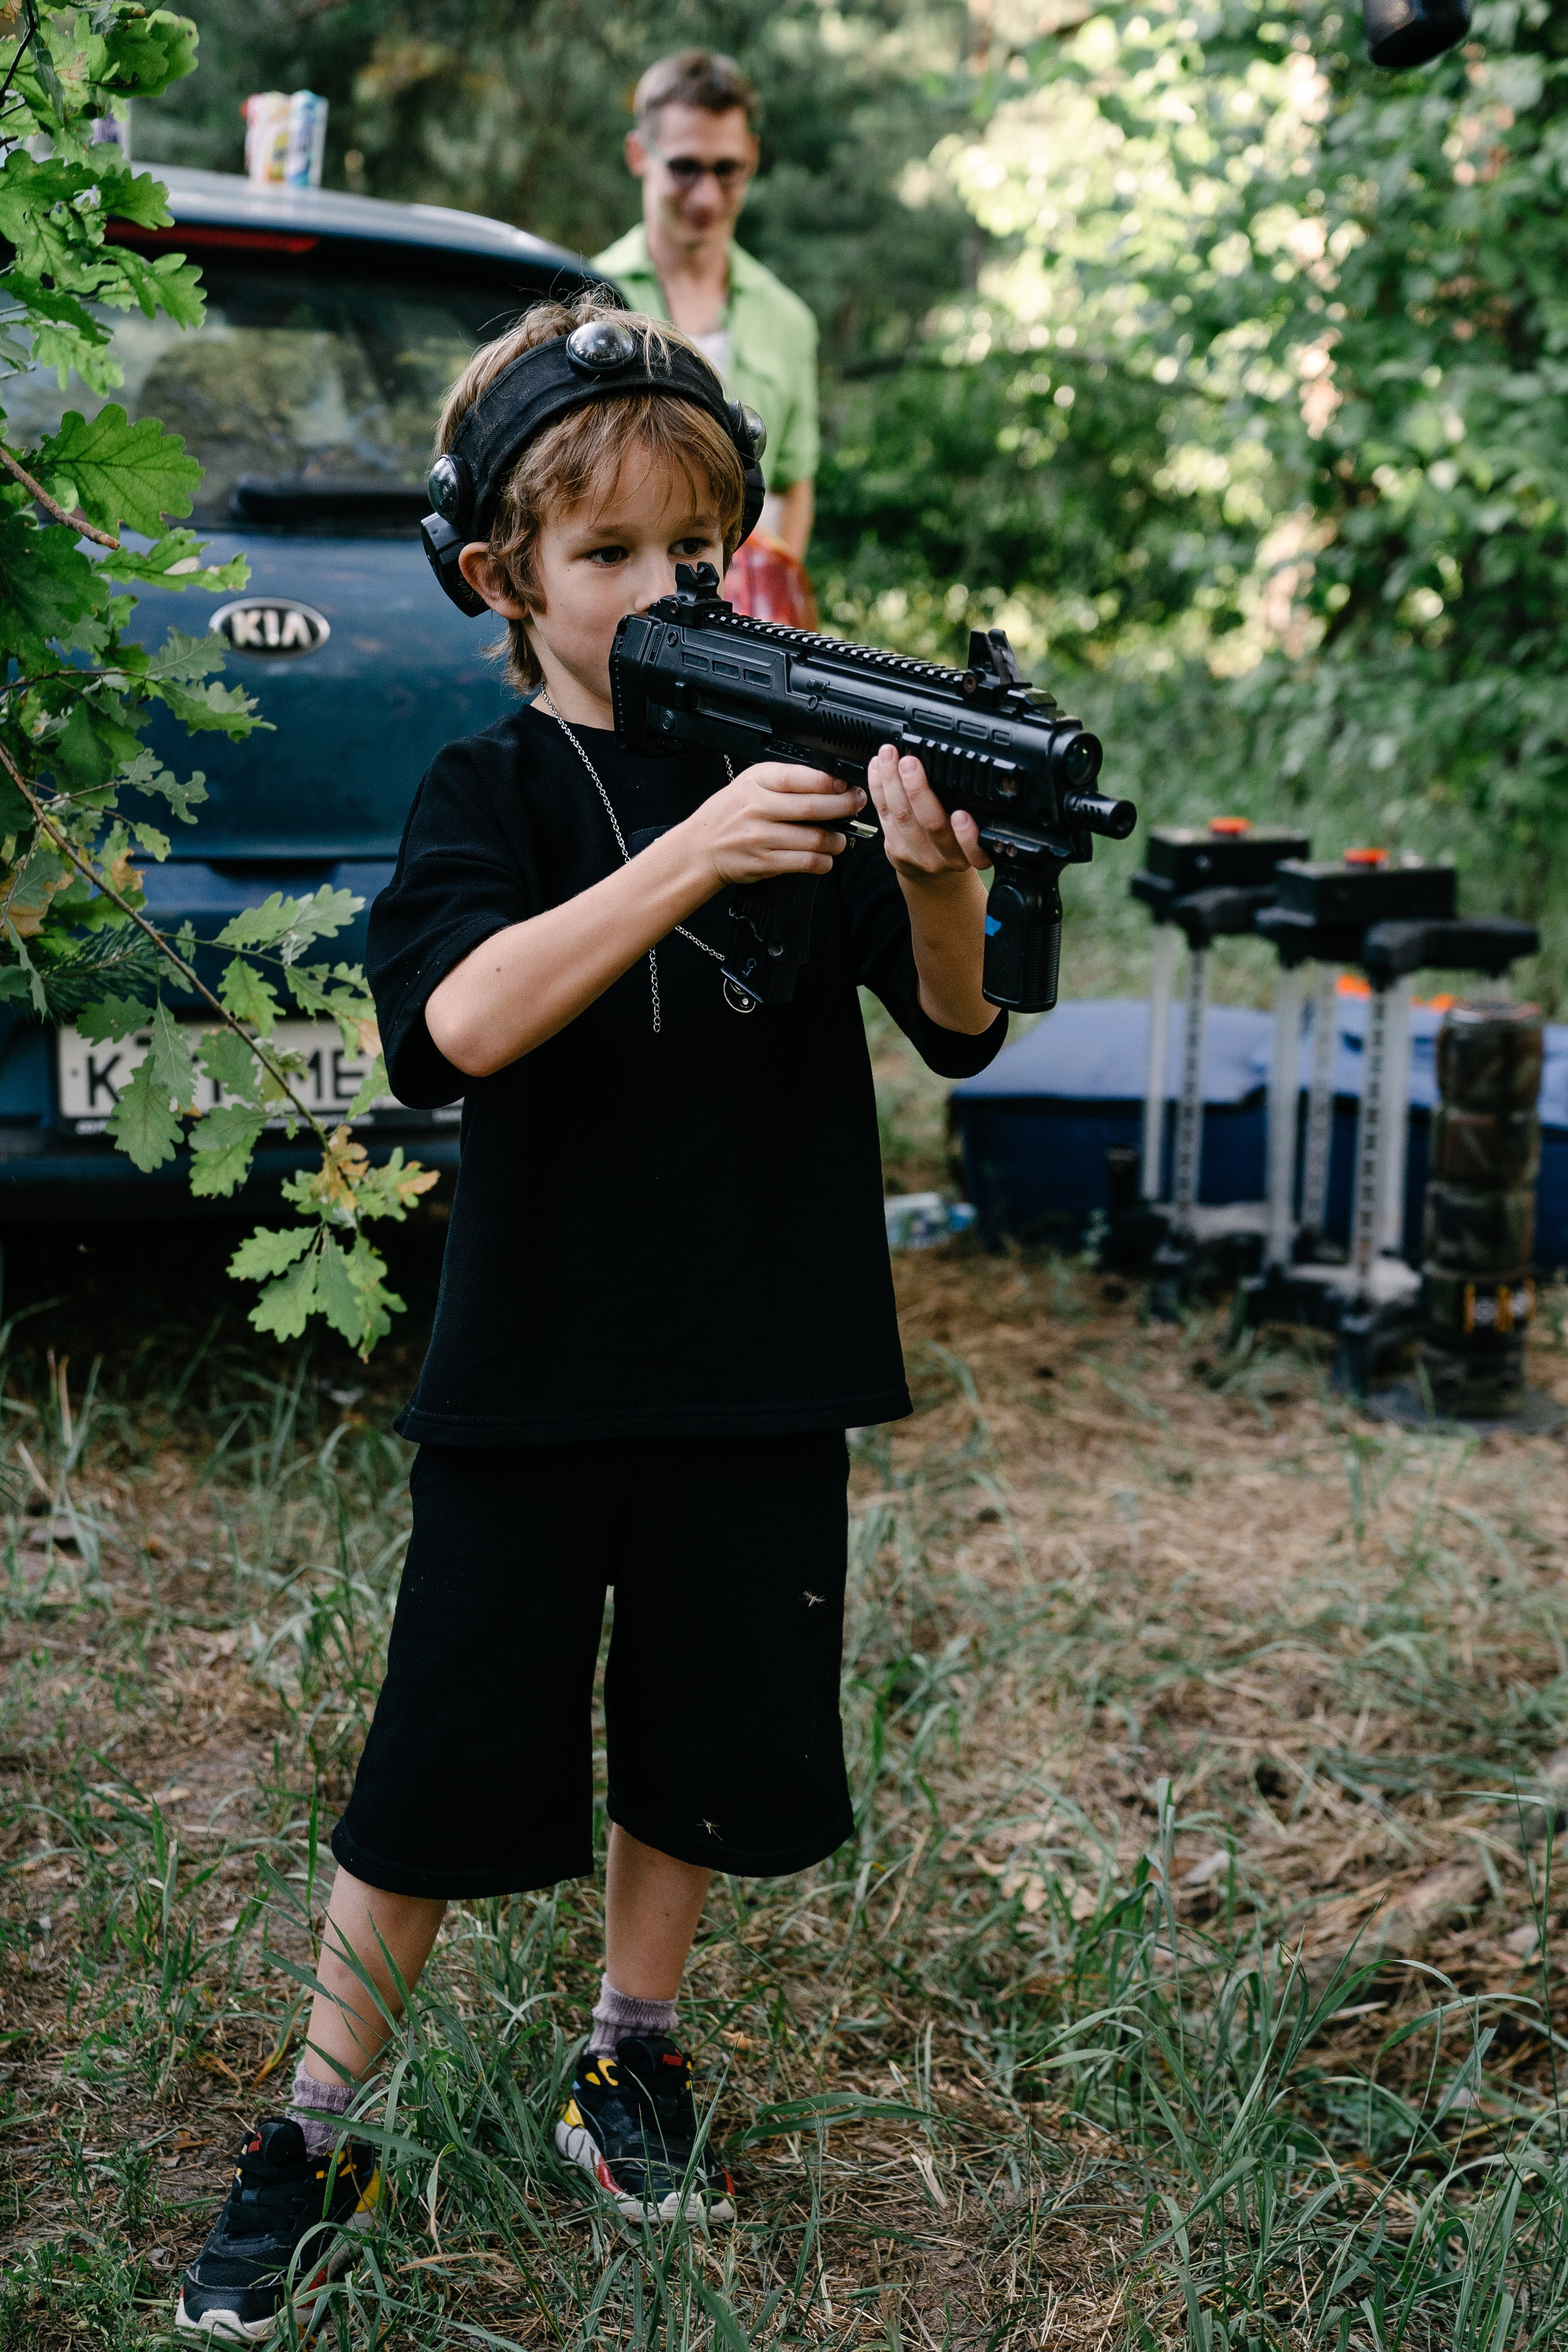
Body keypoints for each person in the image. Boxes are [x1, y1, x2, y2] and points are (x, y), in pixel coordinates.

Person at [175, 293, 1004, 2339]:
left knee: (706, 1733)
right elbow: (461, 1022)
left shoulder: (795, 762)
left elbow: (960, 1024)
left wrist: (933, 876)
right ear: (503, 577)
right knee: (443, 1747)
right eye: (608, 551)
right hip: (538, 1366)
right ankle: (314, 2124)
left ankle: (632, 2049)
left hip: (760, 1354)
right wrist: (697, 854)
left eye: (694, 548)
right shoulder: (493, 787)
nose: (660, 587)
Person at [594, 49, 816, 566]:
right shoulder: (587, 300)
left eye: (727, 170)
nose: (707, 198)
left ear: (752, 157)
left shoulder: (789, 320)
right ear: (638, 154)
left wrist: (769, 592)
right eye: (686, 168)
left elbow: (792, 486)